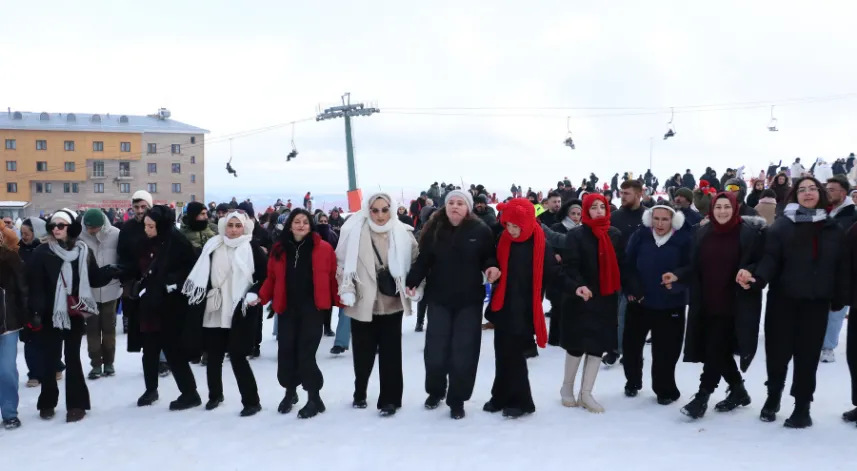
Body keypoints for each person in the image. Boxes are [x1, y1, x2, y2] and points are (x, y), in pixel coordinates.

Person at [748, 176, 849, 428]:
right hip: (783, 299)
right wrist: (759, 278)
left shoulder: (832, 228)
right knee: (777, 354)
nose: (807, 193)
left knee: (807, 357)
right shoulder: (782, 226)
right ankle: (773, 397)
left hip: (815, 303)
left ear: (820, 194)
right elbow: (771, 258)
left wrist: (839, 297)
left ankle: (802, 406)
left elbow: (841, 267)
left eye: (812, 189)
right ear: (795, 195)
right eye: (801, 189)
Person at [405, 189, 499, 419]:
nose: (455, 206)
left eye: (460, 203)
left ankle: (457, 399)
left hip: (469, 301)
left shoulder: (480, 230)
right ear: (445, 206)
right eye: (451, 203)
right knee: (436, 351)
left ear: (467, 208)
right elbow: (424, 259)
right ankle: (436, 391)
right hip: (439, 300)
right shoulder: (434, 229)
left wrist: (491, 267)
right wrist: (413, 281)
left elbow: (489, 256)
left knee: (464, 352)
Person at [25, 209, 121, 422]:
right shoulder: (42, 252)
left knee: (73, 358)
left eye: (61, 225)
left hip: (73, 313)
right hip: (49, 315)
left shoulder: (83, 251)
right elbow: (33, 285)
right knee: (49, 360)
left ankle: (76, 404)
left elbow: (94, 278)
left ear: (71, 228)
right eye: (53, 226)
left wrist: (113, 271)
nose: (56, 229)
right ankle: (48, 401)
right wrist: (35, 313)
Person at [336, 193, 420, 417]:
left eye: (384, 209)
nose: (380, 215)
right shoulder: (354, 232)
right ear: (368, 210)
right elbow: (342, 265)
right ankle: (360, 389)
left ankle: (390, 399)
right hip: (363, 300)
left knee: (391, 352)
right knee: (363, 352)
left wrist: (414, 286)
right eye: (375, 210)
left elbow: (414, 262)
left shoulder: (402, 233)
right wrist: (347, 290)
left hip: (391, 301)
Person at [256, 209, 340, 419]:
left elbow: (332, 278)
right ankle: (290, 391)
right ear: (290, 225)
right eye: (296, 222)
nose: (301, 225)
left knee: (306, 353)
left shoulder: (324, 249)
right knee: (286, 352)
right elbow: (271, 278)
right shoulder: (279, 248)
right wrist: (261, 297)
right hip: (287, 308)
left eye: (305, 222)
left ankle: (313, 397)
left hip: (313, 308)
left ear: (311, 225)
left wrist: (341, 299)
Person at [183, 212, 268, 417]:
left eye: (238, 225)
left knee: (238, 356)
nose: (233, 229)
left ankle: (251, 401)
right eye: (230, 225)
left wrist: (254, 292)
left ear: (244, 227)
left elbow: (264, 277)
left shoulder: (252, 248)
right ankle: (215, 395)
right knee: (213, 356)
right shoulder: (213, 245)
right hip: (216, 306)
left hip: (240, 308)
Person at [483, 199, 560, 418]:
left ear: (526, 223)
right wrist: (493, 268)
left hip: (525, 309)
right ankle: (499, 395)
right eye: (507, 225)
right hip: (503, 305)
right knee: (501, 353)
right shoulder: (503, 238)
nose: (511, 230)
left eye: (515, 226)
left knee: (515, 355)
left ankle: (521, 401)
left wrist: (576, 287)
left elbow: (554, 273)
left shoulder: (540, 243)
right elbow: (492, 258)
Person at [558, 194, 623, 413]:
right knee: (576, 344)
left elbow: (621, 265)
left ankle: (586, 392)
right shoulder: (576, 235)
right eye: (593, 207)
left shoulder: (614, 234)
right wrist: (579, 286)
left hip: (605, 297)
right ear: (586, 210)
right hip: (581, 297)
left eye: (601, 207)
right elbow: (570, 266)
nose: (598, 211)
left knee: (597, 345)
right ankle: (567, 388)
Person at [133, 205, 201, 411]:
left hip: (171, 306)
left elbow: (191, 269)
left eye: (150, 226)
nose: (146, 229)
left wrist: (171, 283)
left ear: (161, 225)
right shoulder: (151, 241)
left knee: (173, 352)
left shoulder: (178, 242)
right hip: (151, 303)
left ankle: (190, 393)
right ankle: (150, 389)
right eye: (145, 225)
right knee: (149, 349)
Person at [622, 205, 691, 404]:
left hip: (670, 305)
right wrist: (633, 290)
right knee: (631, 347)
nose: (660, 224)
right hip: (640, 302)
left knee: (666, 351)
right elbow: (627, 265)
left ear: (674, 221)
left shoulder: (684, 240)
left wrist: (676, 281)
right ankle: (633, 381)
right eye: (656, 219)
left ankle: (664, 389)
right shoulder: (640, 236)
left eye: (665, 219)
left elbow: (691, 268)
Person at [78, 209, 122, 380]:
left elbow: (121, 258)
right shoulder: (80, 237)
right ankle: (96, 364)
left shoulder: (116, 234)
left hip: (111, 290)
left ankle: (109, 362)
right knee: (92, 330)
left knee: (109, 328)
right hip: (88, 293)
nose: (91, 231)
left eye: (94, 228)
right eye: (89, 227)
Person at [0, 225, 27, 429]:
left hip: (8, 321)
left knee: (6, 369)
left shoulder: (10, 257)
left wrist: (28, 315)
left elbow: (23, 288)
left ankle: (9, 412)